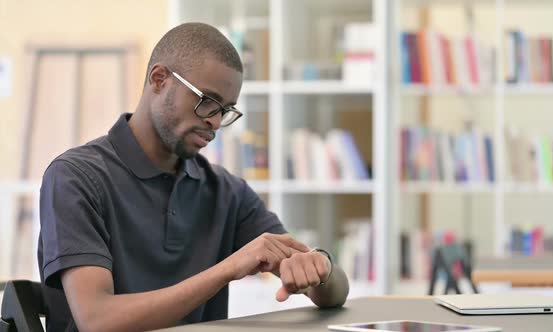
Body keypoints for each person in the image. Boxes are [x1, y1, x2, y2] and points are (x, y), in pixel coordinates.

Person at [37, 22, 349, 332]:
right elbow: (98, 320)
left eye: (225, 110)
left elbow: (334, 293)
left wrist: (319, 267)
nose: (215, 122)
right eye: (207, 102)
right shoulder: (75, 178)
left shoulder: (227, 191)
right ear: (159, 79)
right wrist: (227, 269)